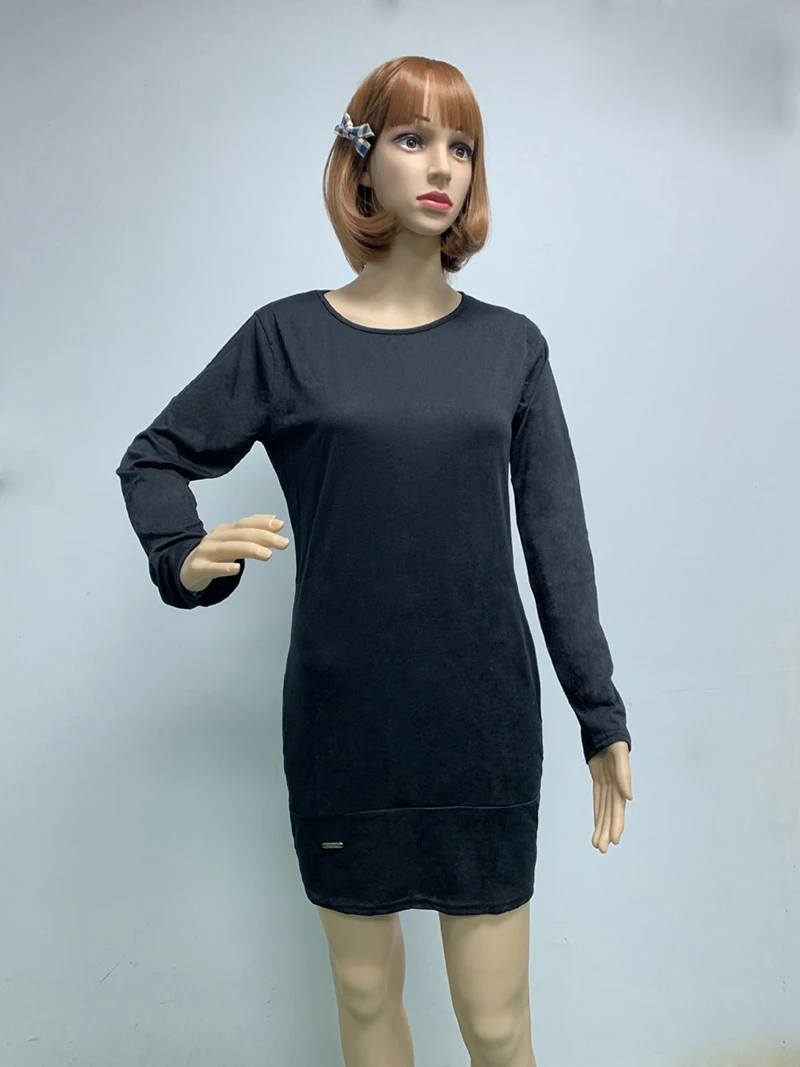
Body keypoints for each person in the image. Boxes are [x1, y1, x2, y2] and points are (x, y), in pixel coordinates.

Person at [116, 54, 633, 1067]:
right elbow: (154, 458)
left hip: (480, 725)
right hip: (343, 725)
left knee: (496, 1021)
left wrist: (598, 712)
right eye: (411, 137)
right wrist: (183, 553)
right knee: (362, 993)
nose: (441, 166)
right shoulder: (286, 340)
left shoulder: (511, 349)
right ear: (359, 160)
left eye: (461, 146)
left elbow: (557, 545)